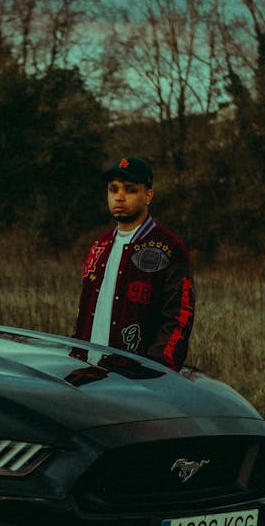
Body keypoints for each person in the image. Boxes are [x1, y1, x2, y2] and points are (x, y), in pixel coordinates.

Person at [73, 156, 194, 371]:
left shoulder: (169, 248)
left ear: (148, 196)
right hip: (88, 369)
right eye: (113, 189)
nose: (119, 197)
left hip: (135, 375)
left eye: (130, 190)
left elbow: (179, 316)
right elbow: (84, 311)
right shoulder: (98, 247)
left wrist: (158, 368)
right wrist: (76, 355)